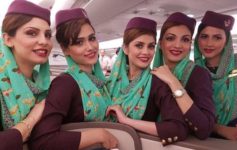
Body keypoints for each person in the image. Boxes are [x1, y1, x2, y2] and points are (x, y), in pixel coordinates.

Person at [29, 8, 118, 150]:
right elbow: (42, 141)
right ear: (65, 50)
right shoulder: (65, 84)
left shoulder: (99, 82)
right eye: (79, 42)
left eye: (92, 38)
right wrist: (98, 135)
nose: (90, 47)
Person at [106, 17, 189, 145]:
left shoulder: (158, 84)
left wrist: (126, 121)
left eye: (151, 46)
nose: (146, 52)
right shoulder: (111, 82)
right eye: (139, 45)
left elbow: (178, 129)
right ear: (126, 48)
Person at [151, 12, 215, 139]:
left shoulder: (199, 74)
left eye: (185, 39)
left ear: (190, 44)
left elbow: (204, 129)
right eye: (170, 38)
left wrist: (173, 82)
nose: (178, 45)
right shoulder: (154, 74)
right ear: (160, 43)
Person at [0, 1, 52, 150]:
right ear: (8, 39)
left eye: (48, 35)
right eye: (31, 33)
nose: (44, 41)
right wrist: (33, 118)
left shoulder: (43, 86)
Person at [194, 11, 237, 140]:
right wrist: (219, 128)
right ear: (197, 40)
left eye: (217, 37)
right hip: (200, 135)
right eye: (204, 36)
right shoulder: (191, 71)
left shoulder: (236, 65)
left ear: (226, 41)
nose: (209, 43)